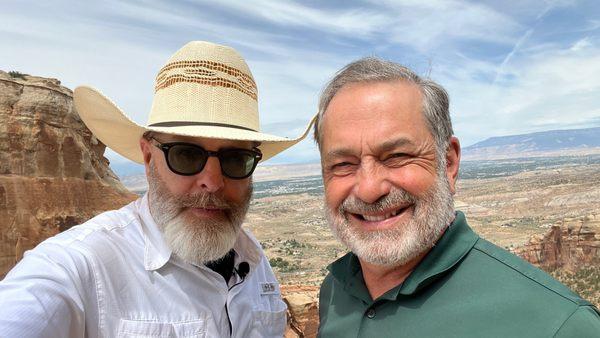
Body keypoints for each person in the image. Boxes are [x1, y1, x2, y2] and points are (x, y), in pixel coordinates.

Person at [0, 41, 313, 337]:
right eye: (186, 154)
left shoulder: (255, 262)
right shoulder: (80, 267)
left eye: (236, 158)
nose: (213, 182)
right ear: (149, 157)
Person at [315, 57, 600, 337]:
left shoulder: (558, 325)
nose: (369, 189)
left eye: (397, 156)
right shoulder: (335, 292)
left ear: (448, 163)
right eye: (343, 164)